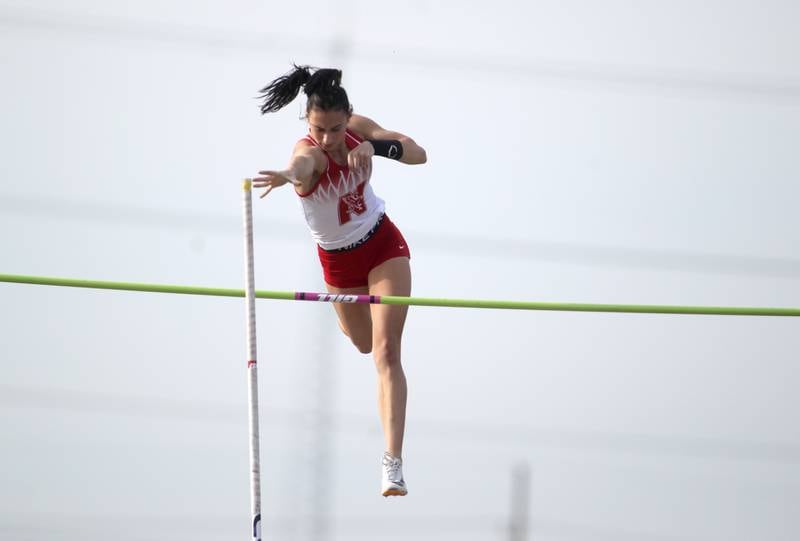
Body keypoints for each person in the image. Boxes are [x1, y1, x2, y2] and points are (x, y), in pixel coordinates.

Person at [252, 65, 427, 497]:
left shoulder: (358, 130)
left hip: (383, 245)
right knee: (364, 343)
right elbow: (301, 164)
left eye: (335, 129)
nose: (329, 139)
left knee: (385, 353)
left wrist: (373, 147)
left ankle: (393, 463)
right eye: (319, 129)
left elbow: (418, 152)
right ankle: (354, 313)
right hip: (339, 265)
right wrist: (287, 175)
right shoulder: (308, 151)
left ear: (347, 117)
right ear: (308, 124)